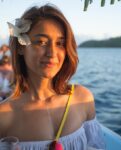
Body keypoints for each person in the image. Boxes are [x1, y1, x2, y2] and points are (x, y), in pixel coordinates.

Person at [0, 4, 105, 150]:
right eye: (41, 42)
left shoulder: (82, 98)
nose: (52, 53)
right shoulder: (4, 116)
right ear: (21, 47)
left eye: (60, 43)